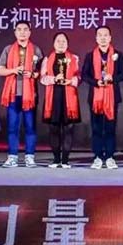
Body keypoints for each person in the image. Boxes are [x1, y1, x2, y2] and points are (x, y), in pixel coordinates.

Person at [81, 25, 123, 169]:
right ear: (96, 38)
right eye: (100, 35)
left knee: (110, 128)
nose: (103, 38)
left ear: (110, 38)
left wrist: (112, 78)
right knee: (96, 128)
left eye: (105, 35)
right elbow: (84, 75)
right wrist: (96, 82)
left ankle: (110, 157)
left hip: (112, 96)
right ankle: (98, 156)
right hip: (95, 97)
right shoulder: (90, 56)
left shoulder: (117, 55)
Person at [0, 21, 43, 168]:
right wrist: (13, 70)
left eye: (25, 29)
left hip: (30, 95)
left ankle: (30, 156)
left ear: (30, 32)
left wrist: (32, 74)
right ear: (15, 32)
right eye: (19, 29)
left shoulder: (36, 49)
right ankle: (12, 157)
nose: (22, 32)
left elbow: (41, 72)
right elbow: (1, 70)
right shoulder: (8, 49)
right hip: (13, 94)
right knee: (13, 127)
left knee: (30, 127)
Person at [40, 32, 81, 169]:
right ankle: (56, 159)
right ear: (53, 43)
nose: (61, 43)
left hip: (69, 97)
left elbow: (79, 77)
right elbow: (42, 78)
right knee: (54, 129)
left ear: (68, 43)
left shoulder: (74, 58)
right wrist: (54, 79)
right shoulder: (47, 59)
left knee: (68, 129)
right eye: (58, 41)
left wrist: (71, 81)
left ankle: (65, 160)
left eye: (64, 41)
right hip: (53, 97)